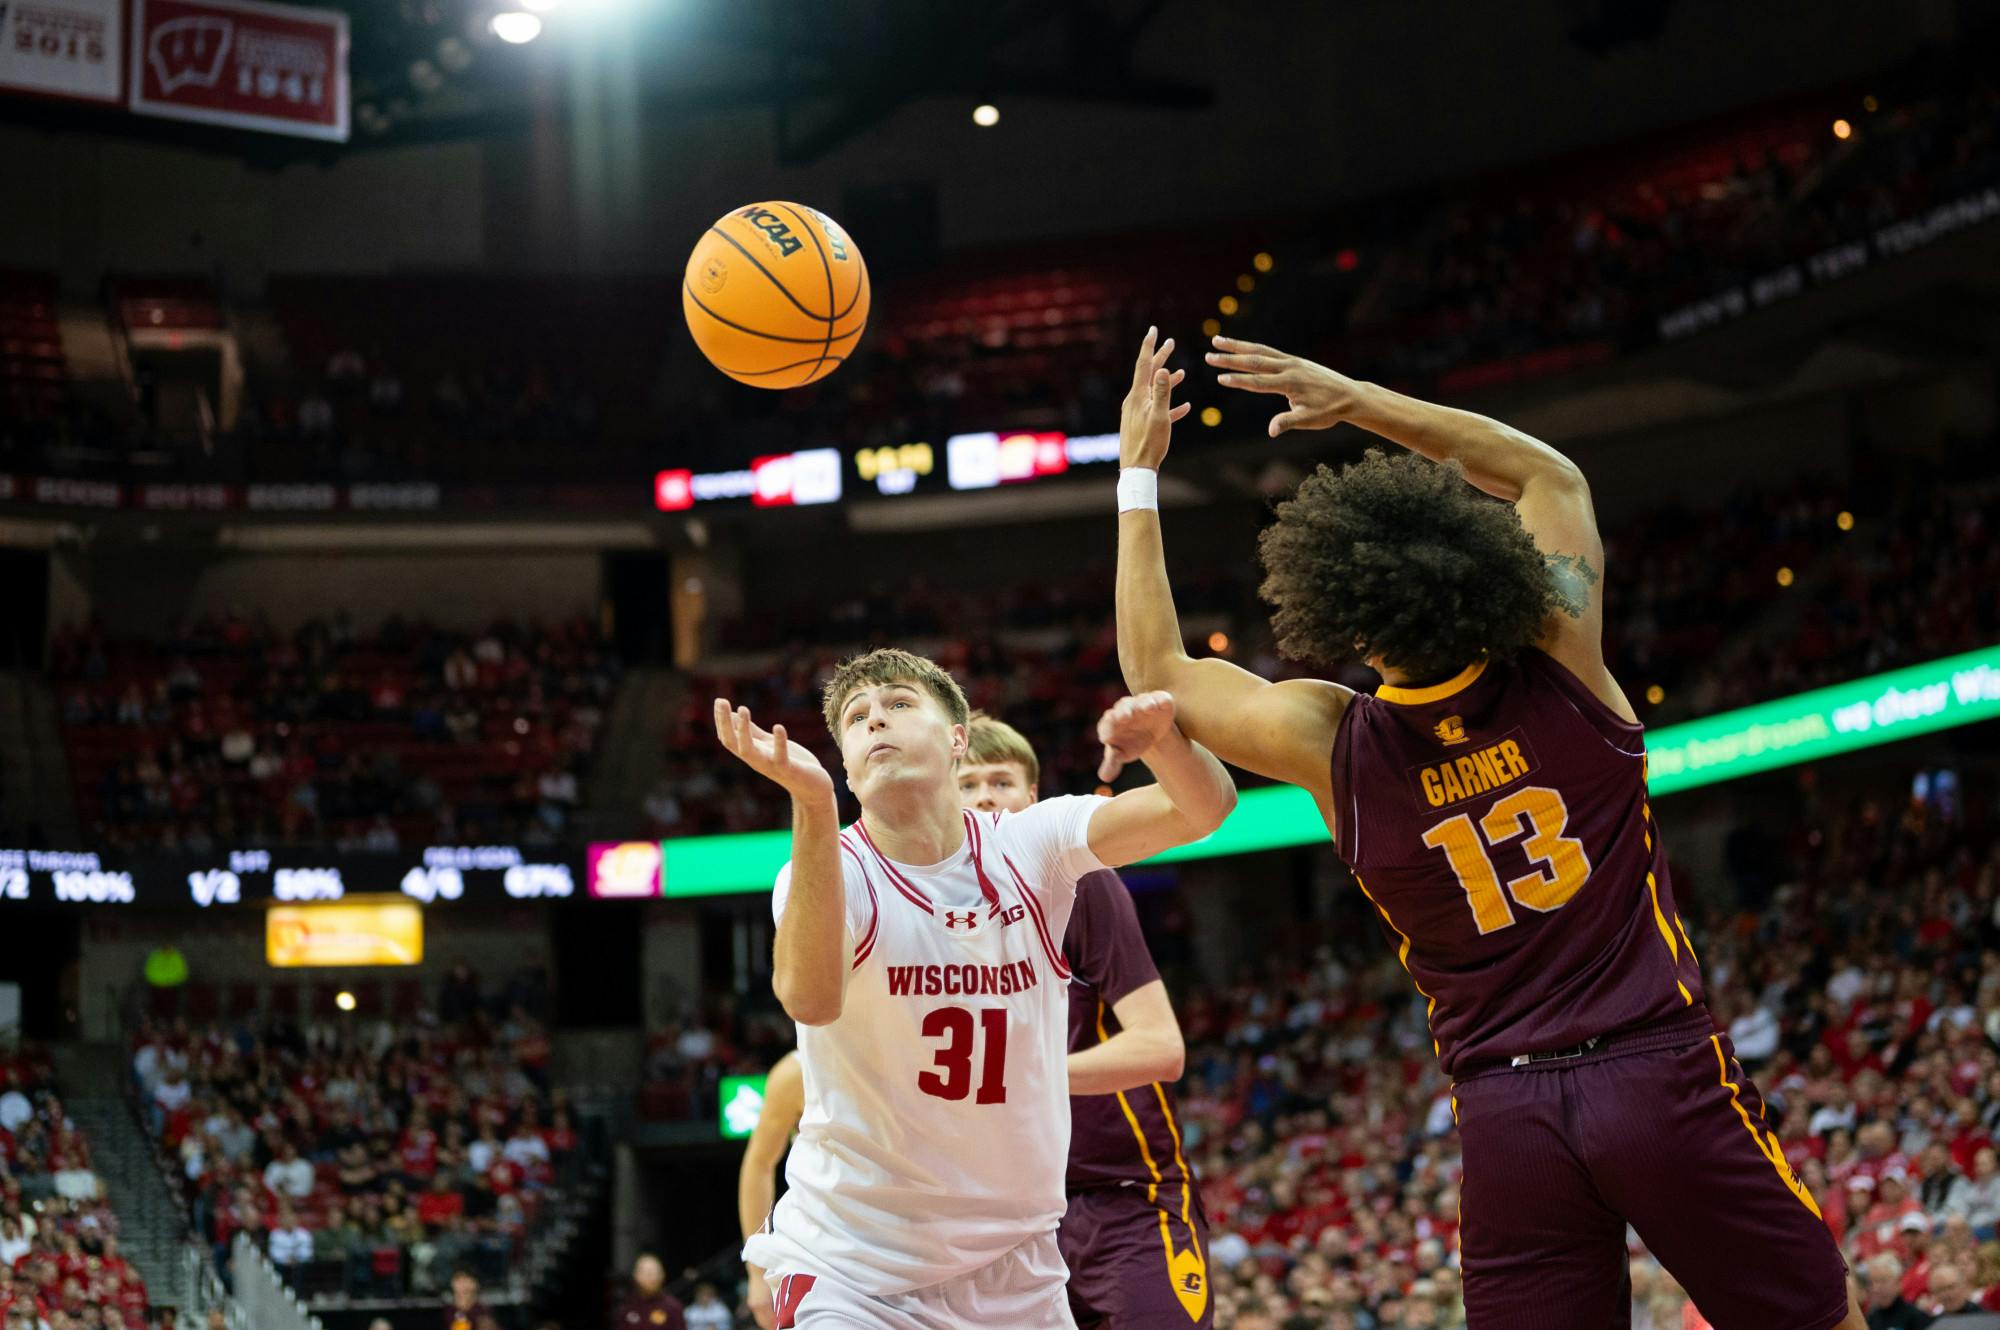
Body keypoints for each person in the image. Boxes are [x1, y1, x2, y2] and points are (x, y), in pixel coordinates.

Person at [1111, 329, 1861, 1330]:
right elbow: (1547, 477)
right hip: (1659, 1070)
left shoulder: (1327, 741)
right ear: (1481, 575)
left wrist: (1136, 475)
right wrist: (1357, 398)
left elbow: (1157, 664)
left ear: (1347, 623)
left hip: (1508, 1115)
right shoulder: (1561, 657)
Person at [720, 647, 1236, 1330]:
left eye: (899, 703)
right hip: (854, 1266)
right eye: (856, 717)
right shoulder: (827, 870)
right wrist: (813, 806)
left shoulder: (1030, 845)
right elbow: (809, 1001)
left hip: (1018, 1262)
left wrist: (1165, 743)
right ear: (845, 765)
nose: (875, 719)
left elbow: (1203, 809)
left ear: (957, 739)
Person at [959, 713, 1210, 1329]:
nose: (985, 796)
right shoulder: (926, 916)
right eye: (967, 784)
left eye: (1001, 782)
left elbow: (1161, 1048)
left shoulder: (1081, 885)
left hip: (1123, 1198)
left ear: (1032, 798)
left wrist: (1022, 1078)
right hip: (1006, 1220)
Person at [737, 1053, 805, 1329]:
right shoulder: (797, 1071)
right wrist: (757, 1270)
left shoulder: (913, 1052)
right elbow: (759, 1164)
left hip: (916, 1244)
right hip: (824, 1252)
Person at [609, 1253, 685, 1330]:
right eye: (647, 1273)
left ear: (663, 1275)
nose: (652, 1278)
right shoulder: (625, 1305)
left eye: (655, 1273)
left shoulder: (673, 1307)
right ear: (636, 1276)